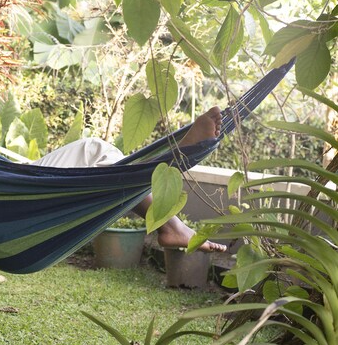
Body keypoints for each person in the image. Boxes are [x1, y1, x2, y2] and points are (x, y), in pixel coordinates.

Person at [35, 106, 227, 253]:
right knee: (93, 151)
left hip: (11, 187)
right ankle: (171, 220)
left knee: (98, 154)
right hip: (8, 191)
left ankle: (171, 224)